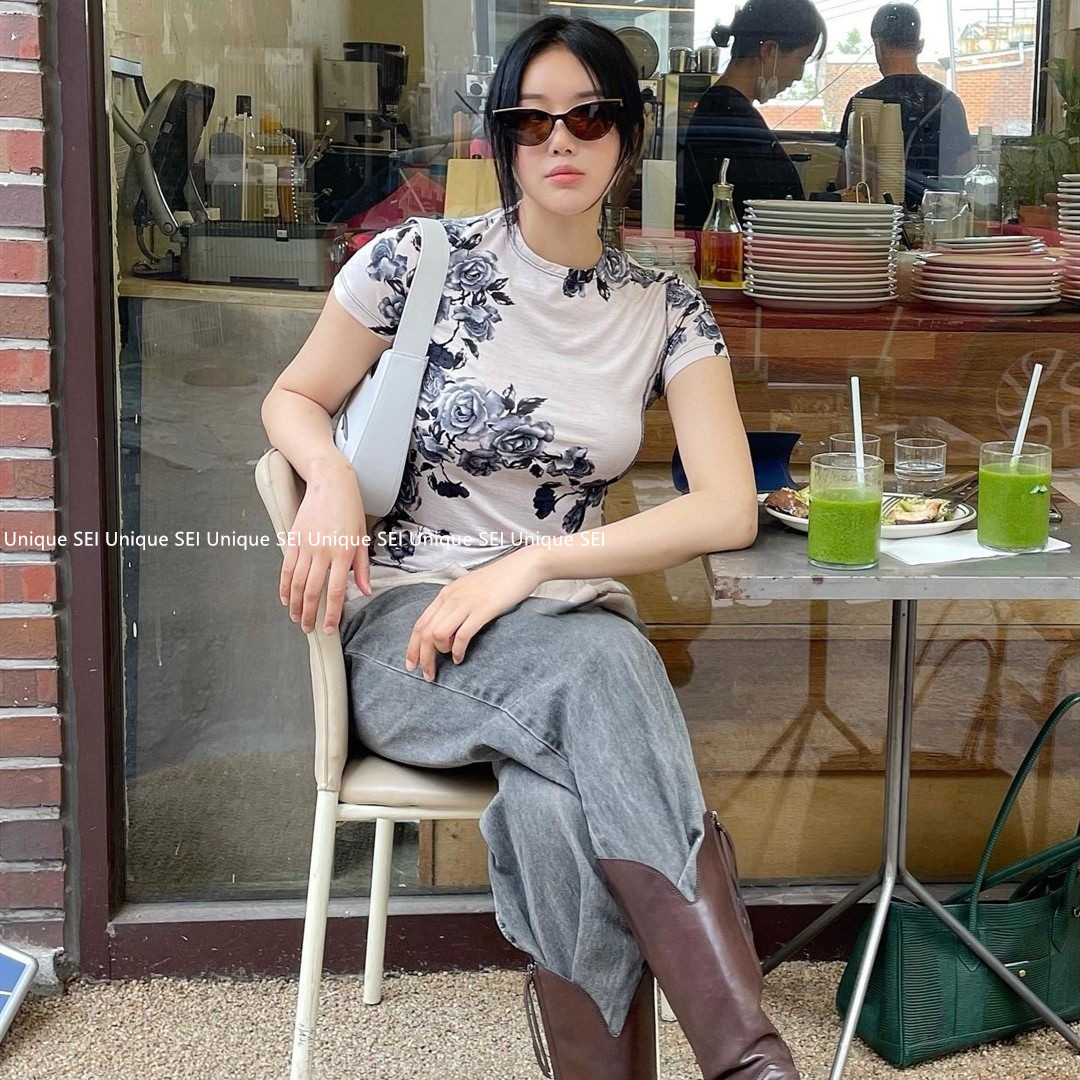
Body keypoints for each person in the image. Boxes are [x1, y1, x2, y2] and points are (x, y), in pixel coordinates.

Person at [261, 14, 802, 1080]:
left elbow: (728, 507)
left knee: (558, 800)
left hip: (560, 627)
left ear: (627, 137)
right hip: (409, 634)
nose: (561, 140)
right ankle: (749, 1062)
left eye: (589, 117)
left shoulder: (665, 308)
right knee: (607, 668)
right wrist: (324, 474)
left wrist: (536, 564)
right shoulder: (416, 259)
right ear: (501, 139)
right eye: (532, 119)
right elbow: (293, 396)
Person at [684, 0, 828, 228]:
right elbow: (760, 211)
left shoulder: (726, 110)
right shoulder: (729, 118)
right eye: (801, 59)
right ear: (769, 50)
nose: (799, 75)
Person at [836, 3, 973, 209]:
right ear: (920, 45)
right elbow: (964, 174)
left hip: (874, 216)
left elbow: (845, 180)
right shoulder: (948, 102)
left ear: (878, 45)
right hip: (934, 214)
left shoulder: (862, 102)